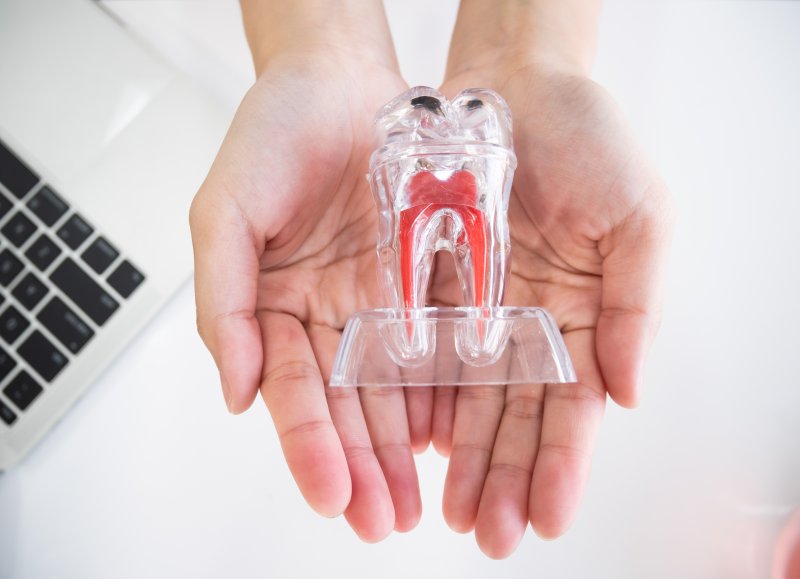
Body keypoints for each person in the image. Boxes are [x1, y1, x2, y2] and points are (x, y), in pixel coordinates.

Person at [188, 0, 675, 560]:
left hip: (474, 130)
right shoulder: (411, 156)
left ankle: (466, 328)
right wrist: (318, 44)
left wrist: (533, 50)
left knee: (474, 258)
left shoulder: (471, 155)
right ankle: (444, 328)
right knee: (436, 258)